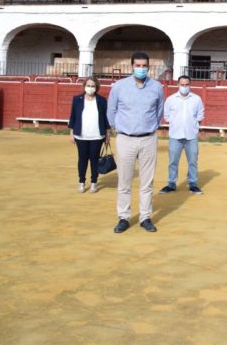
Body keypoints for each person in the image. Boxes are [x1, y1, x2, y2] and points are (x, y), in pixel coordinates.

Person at [107, 52, 165, 233]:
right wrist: (119, 128)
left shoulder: (156, 87)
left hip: (148, 138)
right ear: (132, 66)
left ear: (149, 67)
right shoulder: (119, 86)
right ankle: (123, 217)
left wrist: (150, 127)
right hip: (125, 138)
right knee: (124, 181)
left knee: (147, 182)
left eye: (144, 66)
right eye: (138, 66)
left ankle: (145, 217)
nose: (141, 69)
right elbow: (111, 110)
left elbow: (159, 111)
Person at [160, 75, 205, 195]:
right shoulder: (170, 99)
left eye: (186, 85)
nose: (184, 87)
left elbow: (200, 115)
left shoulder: (196, 99)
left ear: (190, 85)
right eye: (182, 84)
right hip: (175, 135)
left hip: (191, 136)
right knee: (173, 161)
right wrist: (176, 123)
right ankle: (171, 184)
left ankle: (193, 184)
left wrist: (193, 126)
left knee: (193, 161)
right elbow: (166, 116)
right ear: (178, 85)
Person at [68, 76, 109, 194]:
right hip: (81, 135)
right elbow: (73, 116)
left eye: (93, 86)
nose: (90, 88)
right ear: (84, 86)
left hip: (97, 135)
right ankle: (81, 182)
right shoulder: (77, 99)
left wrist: (107, 134)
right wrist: (71, 133)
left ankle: (94, 183)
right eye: (88, 85)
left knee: (94, 159)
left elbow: (105, 118)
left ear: (96, 87)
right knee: (82, 159)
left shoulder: (101, 100)